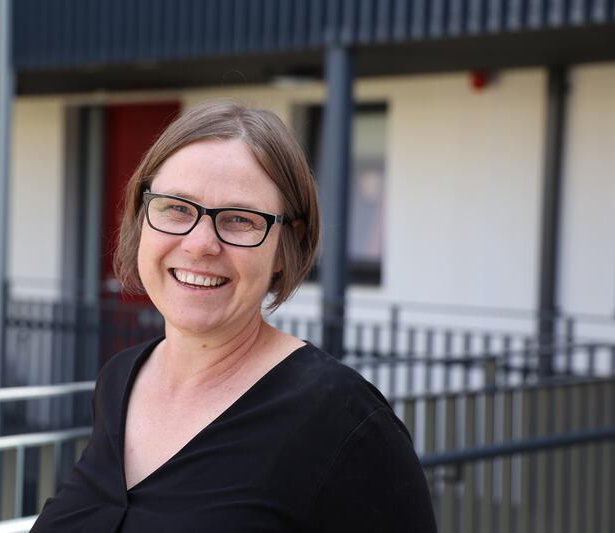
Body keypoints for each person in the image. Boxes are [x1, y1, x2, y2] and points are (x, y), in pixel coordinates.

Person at [31, 101, 437, 532]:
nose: (200, 243)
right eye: (176, 208)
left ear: (286, 247)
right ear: (141, 216)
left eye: (240, 219)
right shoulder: (120, 381)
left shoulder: (342, 420)